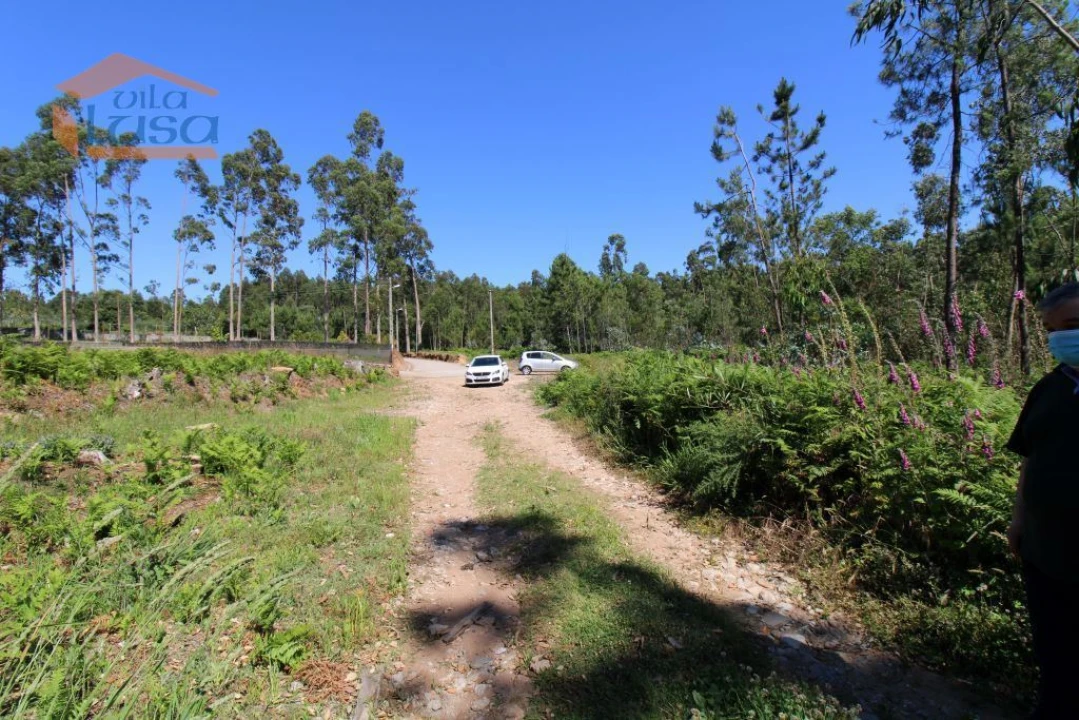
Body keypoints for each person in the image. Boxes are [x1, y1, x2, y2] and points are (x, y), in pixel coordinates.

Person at [1007, 281, 1079, 719]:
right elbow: (1030, 459)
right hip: (1045, 551)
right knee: (1054, 651)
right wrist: (1019, 521)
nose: (1063, 338)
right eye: (1054, 331)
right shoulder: (1049, 388)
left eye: (1073, 325)